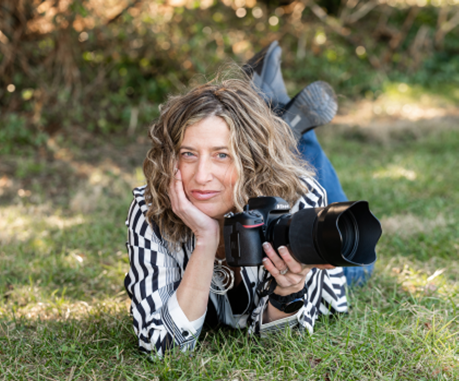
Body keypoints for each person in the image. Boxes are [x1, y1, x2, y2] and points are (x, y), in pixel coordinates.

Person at [124, 75, 348, 356]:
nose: (201, 177)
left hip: (313, 231)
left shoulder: (297, 200)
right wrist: (206, 239)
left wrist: (288, 292)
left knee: (348, 244)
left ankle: (290, 125)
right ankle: (273, 109)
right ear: (169, 157)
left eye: (222, 155)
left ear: (252, 160)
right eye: (188, 154)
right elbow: (162, 347)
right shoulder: (151, 207)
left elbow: (284, 343)